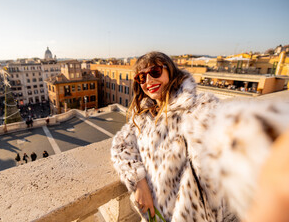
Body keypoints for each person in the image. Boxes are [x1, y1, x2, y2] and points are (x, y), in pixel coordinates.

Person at [111, 51, 289, 221]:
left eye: (155, 71)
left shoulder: (197, 107)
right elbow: (120, 144)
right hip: (156, 215)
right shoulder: (143, 117)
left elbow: (234, 130)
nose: (148, 80)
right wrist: (139, 181)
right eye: (141, 77)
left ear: (171, 71)